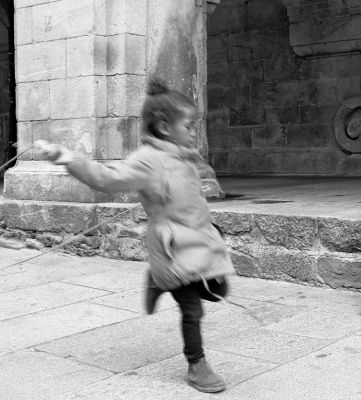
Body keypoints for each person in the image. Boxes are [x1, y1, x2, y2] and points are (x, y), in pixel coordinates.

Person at [35, 77, 235, 393]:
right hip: (174, 250)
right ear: (165, 127)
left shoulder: (184, 155)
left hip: (201, 241)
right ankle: (197, 365)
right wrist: (70, 159)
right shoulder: (148, 159)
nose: (195, 131)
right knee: (193, 309)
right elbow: (108, 177)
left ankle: (157, 280)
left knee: (219, 290)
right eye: (190, 125)